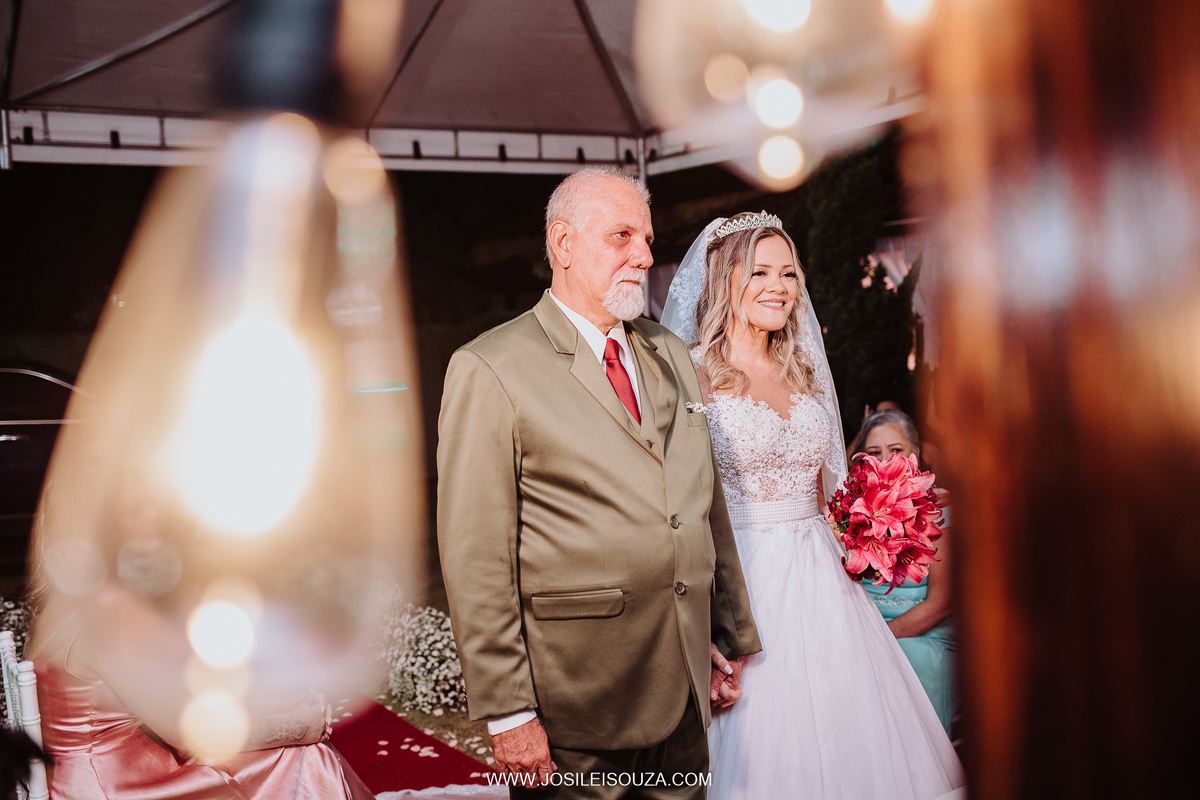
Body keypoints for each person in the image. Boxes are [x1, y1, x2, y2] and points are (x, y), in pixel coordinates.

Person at [436, 167, 761, 799]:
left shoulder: (668, 352)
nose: (644, 254)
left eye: (645, 237)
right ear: (561, 244)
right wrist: (508, 712)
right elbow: (477, 555)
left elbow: (703, 501)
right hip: (575, 703)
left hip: (684, 686)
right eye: (621, 236)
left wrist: (728, 632)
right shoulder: (490, 367)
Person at [660, 212, 965, 799]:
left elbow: (833, 492)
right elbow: (678, 497)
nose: (779, 286)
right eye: (761, 272)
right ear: (727, 280)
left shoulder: (803, 369)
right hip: (742, 572)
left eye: (789, 273)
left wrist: (891, 513)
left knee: (849, 727)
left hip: (824, 579)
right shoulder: (692, 373)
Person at [25, 469, 374, 800]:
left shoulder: (61, 601)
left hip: (77, 779)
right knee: (303, 758)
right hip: (115, 786)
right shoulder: (108, 611)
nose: (153, 516)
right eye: (132, 509)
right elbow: (184, 737)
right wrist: (300, 727)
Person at [853, 409, 958, 734]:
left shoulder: (939, 510)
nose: (885, 461)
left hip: (923, 633)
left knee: (903, 659)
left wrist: (875, 639)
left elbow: (942, 604)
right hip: (867, 623)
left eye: (896, 450)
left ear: (915, 454)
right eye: (874, 453)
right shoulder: (854, 513)